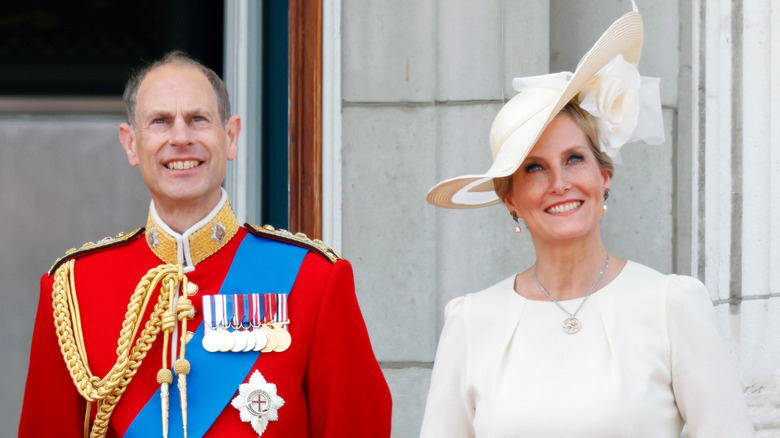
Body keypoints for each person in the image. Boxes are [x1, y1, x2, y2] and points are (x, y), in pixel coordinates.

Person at [19, 51, 392, 438]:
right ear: (131, 144)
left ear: (230, 137)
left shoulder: (313, 280)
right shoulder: (75, 289)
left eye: (198, 119)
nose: (181, 138)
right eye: (160, 121)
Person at [420, 9, 755, 438]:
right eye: (534, 168)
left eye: (574, 159)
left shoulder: (669, 305)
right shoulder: (471, 322)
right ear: (511, 200)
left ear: (604, 177)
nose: (559, 183)